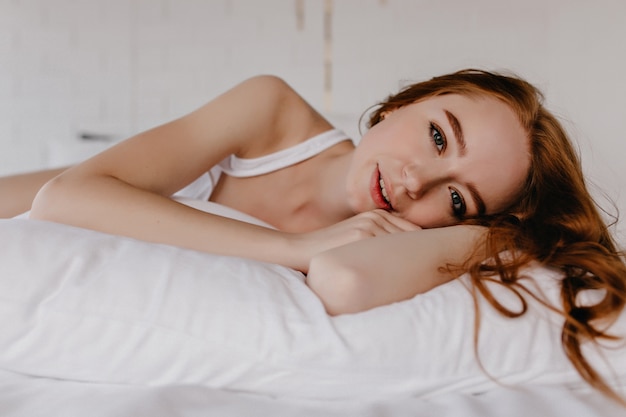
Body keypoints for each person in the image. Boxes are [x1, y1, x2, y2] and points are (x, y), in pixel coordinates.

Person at [1, 69, 625, 403]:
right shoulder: (270, 112)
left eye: (458, 198)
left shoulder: (401, 237)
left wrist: (500, 237)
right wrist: (289, 250)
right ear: (401, 104)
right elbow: (64, 198)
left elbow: (346, 281)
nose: (415, 183)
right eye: (438, 136)